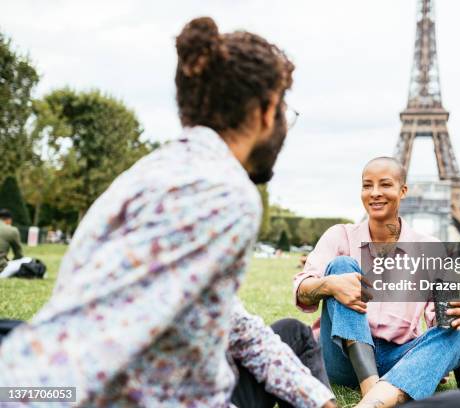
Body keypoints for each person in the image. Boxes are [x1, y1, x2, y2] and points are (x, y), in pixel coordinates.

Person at [0, 17, 335, 408]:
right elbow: (79, 353)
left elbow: (231, 322)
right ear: (266, 111)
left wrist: (319, 400)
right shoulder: (222, 191)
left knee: (290, 334)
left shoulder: (151, 174)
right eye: (284, 112)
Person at [294, 157, 460, 408]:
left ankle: (373, 403)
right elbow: (302, 289)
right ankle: (373, 391)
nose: (374, 193)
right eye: (367, 185)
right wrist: (330, 285)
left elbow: (438, 319)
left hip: (396, 357)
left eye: (385, 184)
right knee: (342, 267)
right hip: (341, 357)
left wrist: (453, 312)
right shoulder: (340, 236)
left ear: (402, 190)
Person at [0, 209, 24, 276]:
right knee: (27, 260)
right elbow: (19, 254)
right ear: (9, 220)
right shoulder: (12, 230)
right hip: (1, 269)